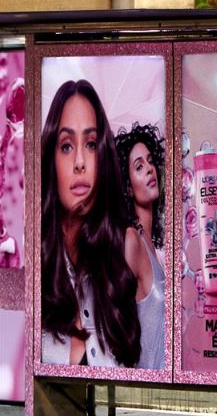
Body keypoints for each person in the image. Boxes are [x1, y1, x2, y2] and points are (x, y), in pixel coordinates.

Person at [38, 79, 153, 368]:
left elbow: (154, 360)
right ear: (51, 159)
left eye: (90, 144)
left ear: (103, 155)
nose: (79, 162)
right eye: (66, 146)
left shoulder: (126, 247)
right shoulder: (38, 258)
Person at [117, 122, 167, 370]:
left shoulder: (151, 246)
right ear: (127, 186)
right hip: (145, 386)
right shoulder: (132, 241)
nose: (149, 169)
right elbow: (116, 327)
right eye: (139, 166)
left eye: (149, 161)